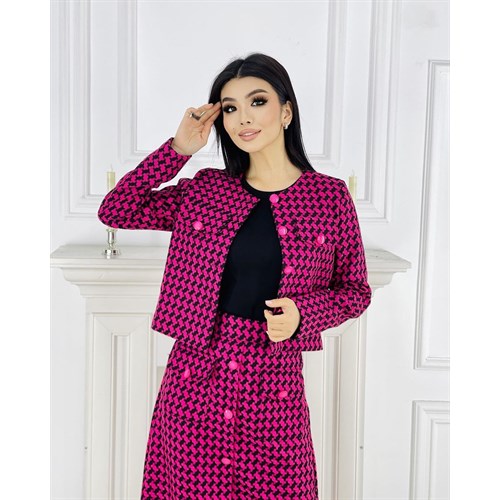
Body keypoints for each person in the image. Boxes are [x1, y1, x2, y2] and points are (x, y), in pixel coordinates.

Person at [97, 52, 372, 499]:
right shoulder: (207, 190)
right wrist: (177, 150)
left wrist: (304, 314)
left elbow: (355, 290)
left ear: (286, 111)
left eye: (257, 101)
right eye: (230, 108)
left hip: (275, 381)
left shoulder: (328, 197)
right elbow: (117, 209)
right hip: (196, 374)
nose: (243, 117)